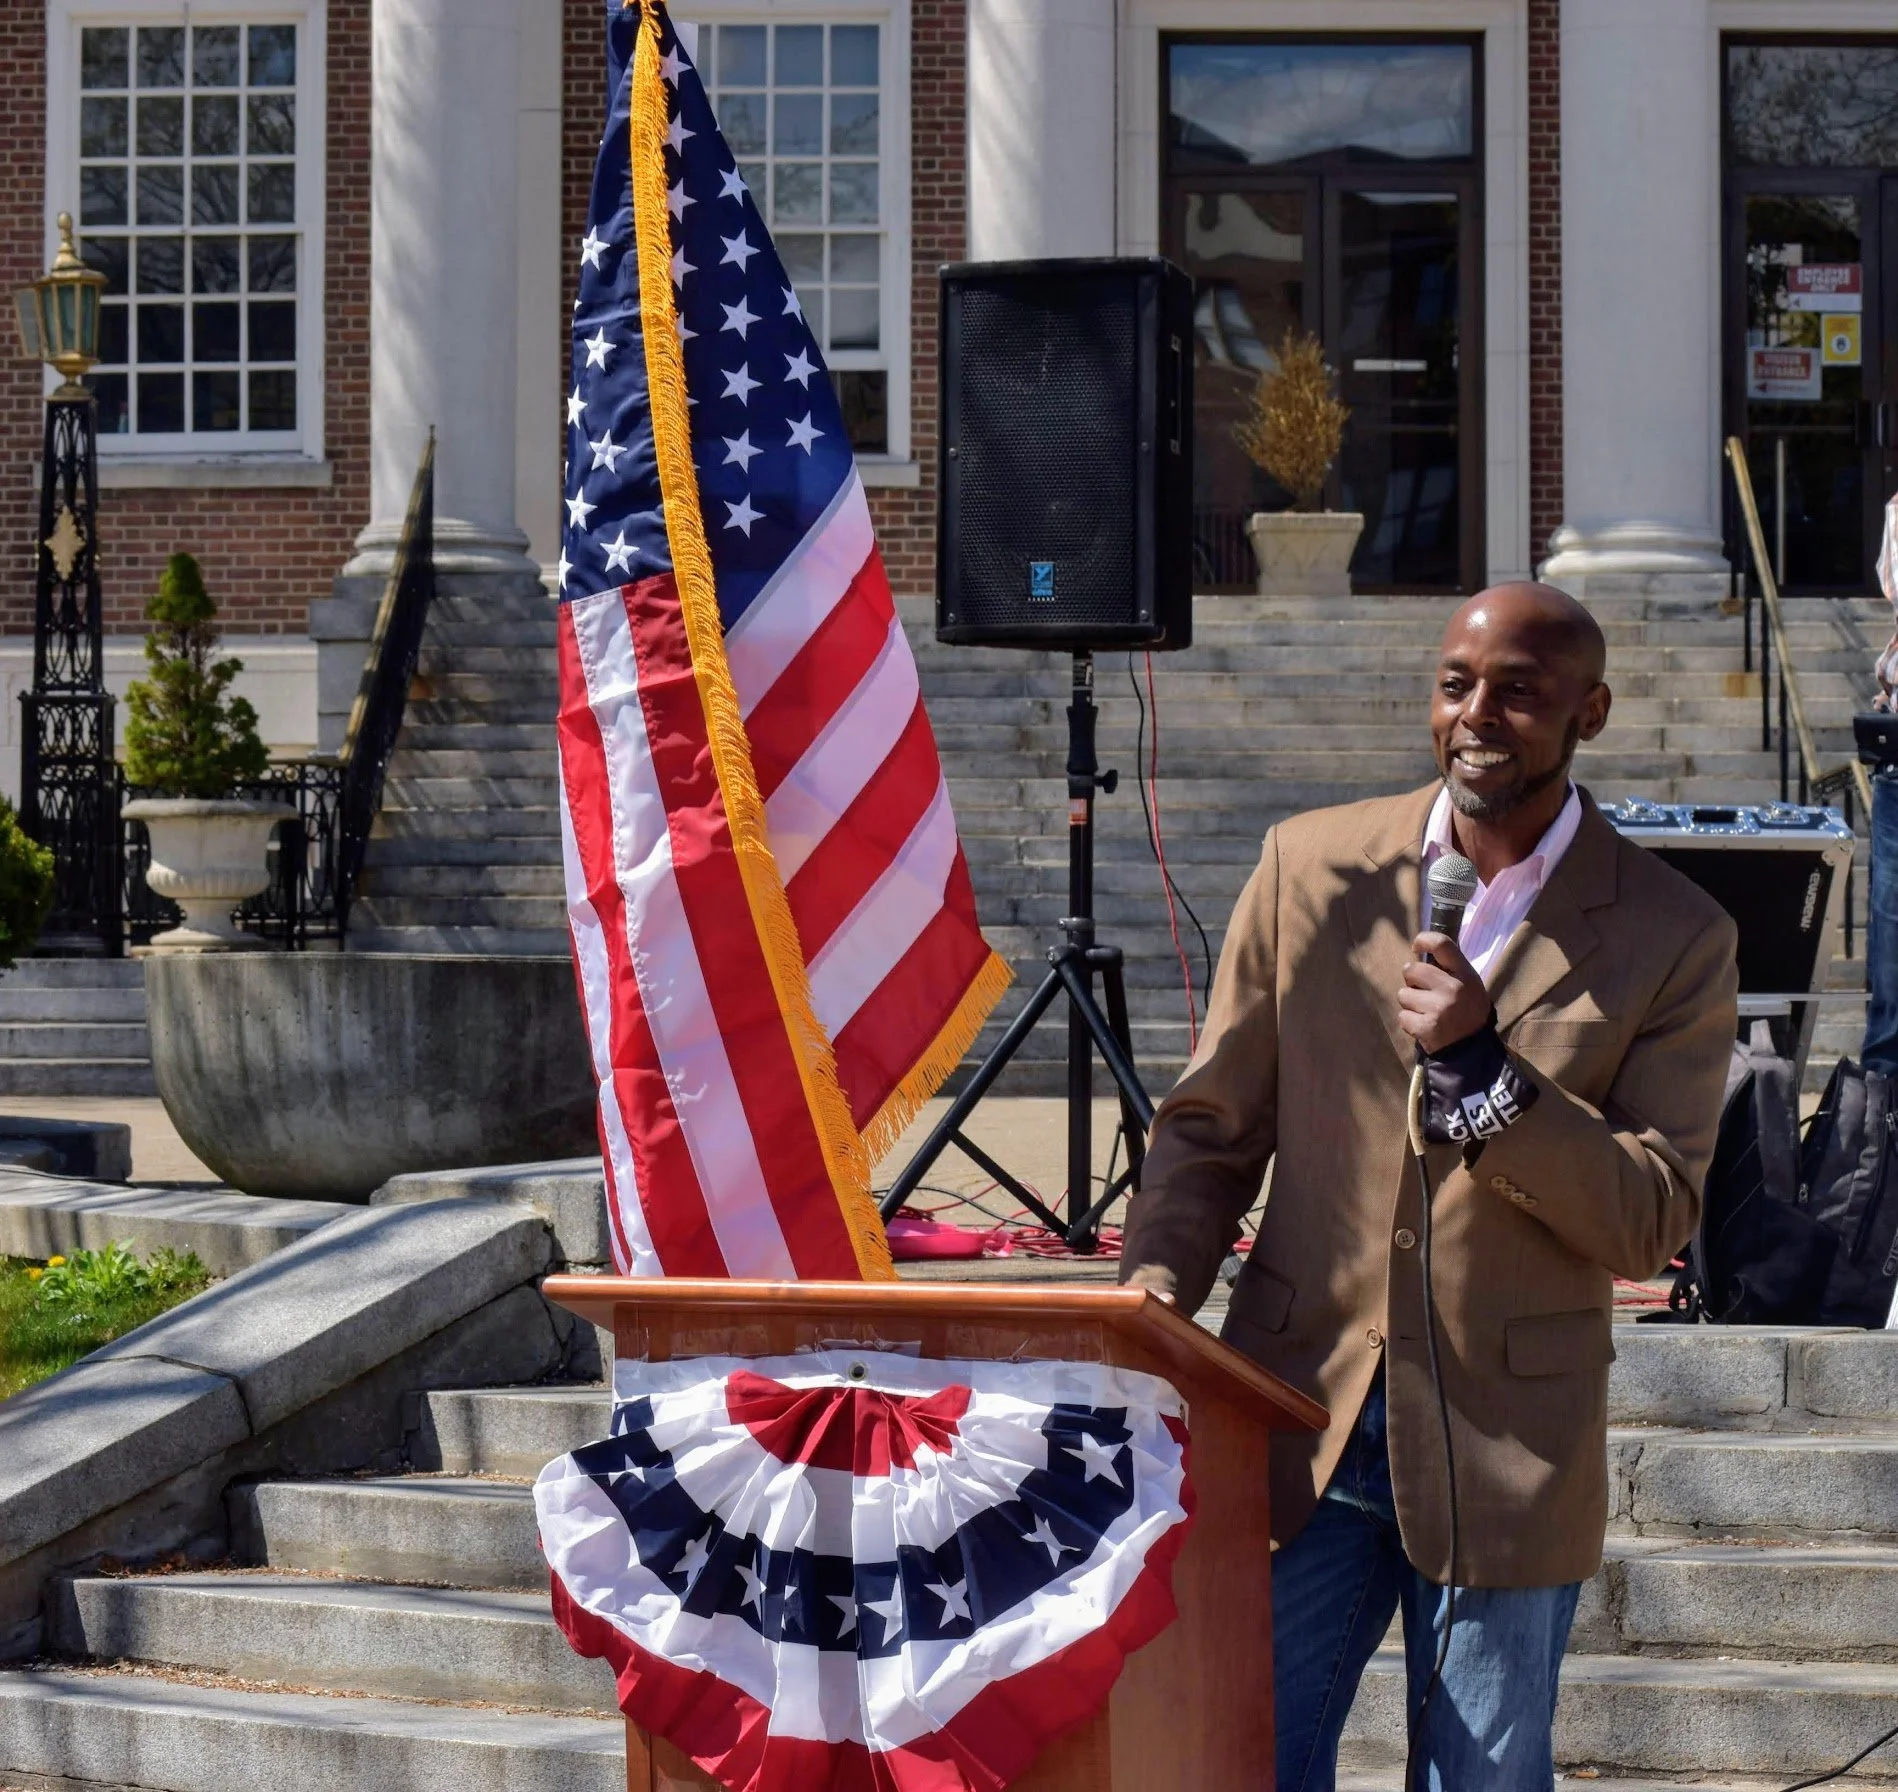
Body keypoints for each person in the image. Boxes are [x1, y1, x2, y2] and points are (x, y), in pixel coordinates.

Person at [1119, 582, 1739, 1792]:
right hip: (1300, 1419)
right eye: (1456, 685)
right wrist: (1148, 1300)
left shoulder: (1675, 933)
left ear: (1590, 712)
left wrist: (1485, 1073)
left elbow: (1649, 1215)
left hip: (1506, 1450)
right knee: (1234, 1762)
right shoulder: (1311, 865)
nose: (1477, 714)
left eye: (1519, 690)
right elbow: (1209, 1127)